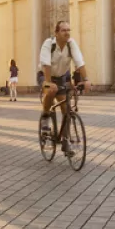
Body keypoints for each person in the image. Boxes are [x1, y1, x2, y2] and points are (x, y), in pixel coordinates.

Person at [37, 20, 86, 155]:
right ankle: (46, 116)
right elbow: (46, 65)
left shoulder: (71, 44)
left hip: (61, 76)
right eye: (64, 30)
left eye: (68, 30)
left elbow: (79, 62)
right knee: (51, 90)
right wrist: (48, 82)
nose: (67, 33)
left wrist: (86, 80)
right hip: (45, 74)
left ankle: (65, 141)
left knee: (66, 110)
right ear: (57, 33)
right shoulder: (49, 44)